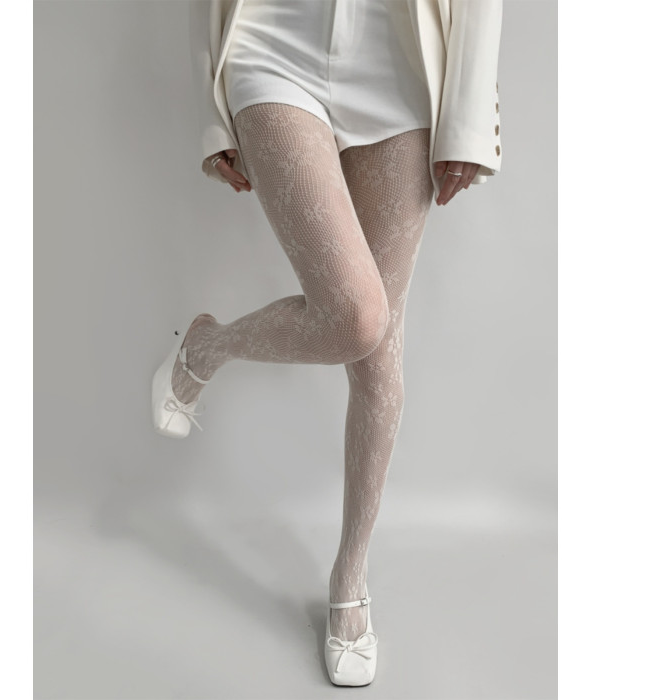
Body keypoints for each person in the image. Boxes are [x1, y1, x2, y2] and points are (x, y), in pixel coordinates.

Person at [152, 0, 503, 687]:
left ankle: (350, 574)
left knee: (378, 353)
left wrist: (467, 117)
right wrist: (211, 112)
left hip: (402, 65)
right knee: (358, 316)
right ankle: (206, 350)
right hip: (272, 45)